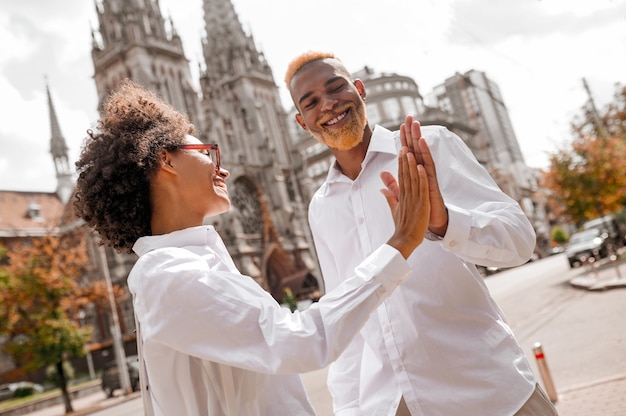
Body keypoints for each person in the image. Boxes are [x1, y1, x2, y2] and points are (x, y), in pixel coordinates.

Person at [73, 79, 431, 415]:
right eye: (205, 150)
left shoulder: (190, 264)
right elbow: (298, 341)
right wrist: (399, 245)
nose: (222, 168)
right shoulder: (167, 276)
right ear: (166, 160)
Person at [285, 52, 558, 416]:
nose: (329, 104)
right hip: (391, 405)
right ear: (303, 123)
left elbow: (520, 242)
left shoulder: (431, 146)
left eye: (336, 88)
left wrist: (444, 222)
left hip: (489, 393)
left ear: (360, 90)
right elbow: (344, 320)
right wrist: (349, 409)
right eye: (312, 102)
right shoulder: (321, 207)